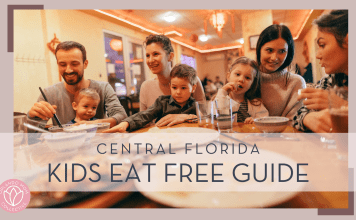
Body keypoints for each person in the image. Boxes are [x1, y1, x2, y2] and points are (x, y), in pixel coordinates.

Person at [28, 41, 127, 128]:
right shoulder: (48, 94)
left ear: (85, 64)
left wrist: (94, 124)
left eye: (74, 64)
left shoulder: (103, 88)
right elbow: (33, 133)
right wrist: (31, 118)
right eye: (62, 64)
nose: (68, 70)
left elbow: (121, 116)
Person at [293, 10, 348, 133]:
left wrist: (343, 106)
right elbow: (298, 115)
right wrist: (308, 118)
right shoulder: (331, 80)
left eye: (322, 45)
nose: (317, 55)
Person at [104, 64, 198, 132]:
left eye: (183, 88)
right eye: (174, 87)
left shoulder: (196, 105)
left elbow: (208, 117)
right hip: (165, 140)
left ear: (193, 88)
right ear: (170, 86)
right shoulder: (162, 102)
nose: (178, 92)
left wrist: (188, 117)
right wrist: (126, 123)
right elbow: (145, 115)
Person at [139, 34, 205, 125]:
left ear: (170, 56)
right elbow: (143, 121)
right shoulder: (146, 86)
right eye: (147, 55)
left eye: (155, 54)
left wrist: (183, 116)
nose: (150, 60)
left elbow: (205, 116)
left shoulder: (192, 80)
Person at [256, 24, 306, 119]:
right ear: (259, 49)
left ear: (288, 53)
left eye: (282, 51)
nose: (274, 58)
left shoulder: (296, 83)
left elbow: (294, 122)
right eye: (269, 50)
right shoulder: (247, 79)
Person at [215, 56, 268, 123]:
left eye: (247, 78)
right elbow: (217, 116)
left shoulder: (255, 103)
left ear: (252, 84)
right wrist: (222, 92)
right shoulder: (221, 99)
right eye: (237, 74)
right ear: (228, 76)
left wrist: (256, 120)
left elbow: (264, 118)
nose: (241, 80)